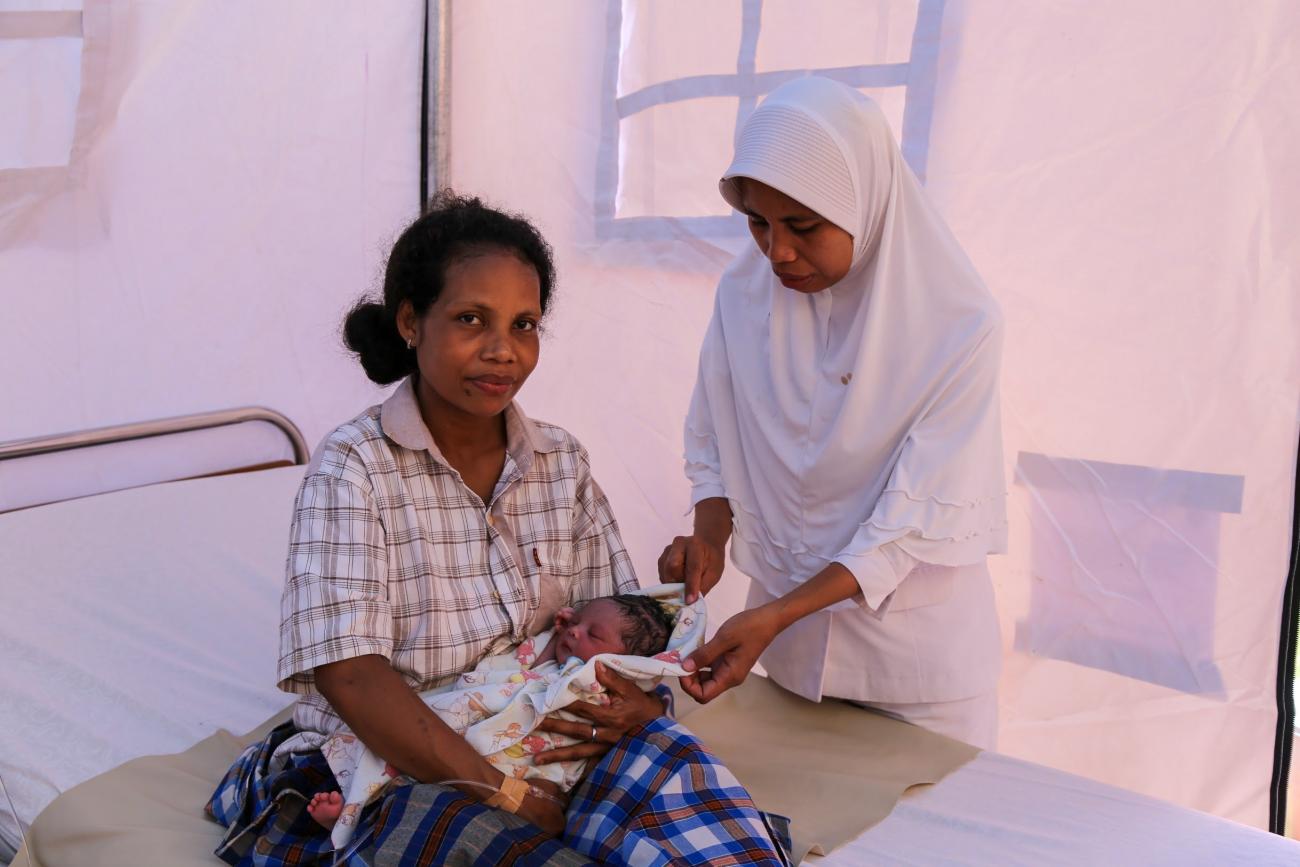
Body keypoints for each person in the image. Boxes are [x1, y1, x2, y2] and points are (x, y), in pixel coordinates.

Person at [207, 193, 785, 866]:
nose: (502, 351)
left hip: (542, 733)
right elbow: (354, 678)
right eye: (471, 319)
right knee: (467, 833)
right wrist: (509, 793)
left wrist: (642, 712)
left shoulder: (559, 462)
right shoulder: (353, 468)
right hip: (402, 753)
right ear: (410, 322)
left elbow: (621, 635)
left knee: (676, 775)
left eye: (525, 324)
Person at [659, 76, 1007, 750]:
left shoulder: (959, 326)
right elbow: (715, 438)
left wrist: (777, 613)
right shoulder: (743, 293)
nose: (777, 250)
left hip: (920, 681)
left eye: (804, 226)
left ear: (868, 203)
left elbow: (907, 526)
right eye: (758, 222)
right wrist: (710, 537)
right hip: (788, 662)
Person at [303, 591, 681, 839]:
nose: (575, 632)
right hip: (475, 752)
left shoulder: (606, 684)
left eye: (592, 634)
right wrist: (560, 635)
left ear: (623, 662)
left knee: (522, 812)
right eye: (576, 621)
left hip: (536, 767)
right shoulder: (552, 659)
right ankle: (356, 816)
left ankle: (364, 822)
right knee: (409, 772)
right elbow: (520, 665)